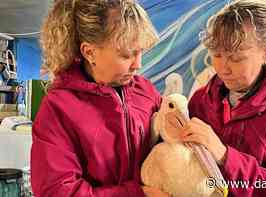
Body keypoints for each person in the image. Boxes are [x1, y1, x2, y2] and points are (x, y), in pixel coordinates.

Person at [30, 0, 170, 196]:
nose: (137, 64)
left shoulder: (146, 91)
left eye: (140, 52)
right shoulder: (58, 108)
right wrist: (136, 194)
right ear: (89, 52)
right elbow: (56, 191)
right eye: (126, 55)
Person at [182, 0, 266, 196]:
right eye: (217, 54)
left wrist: (224, 156)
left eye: (236, 58)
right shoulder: (200, 100)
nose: (223, 68)